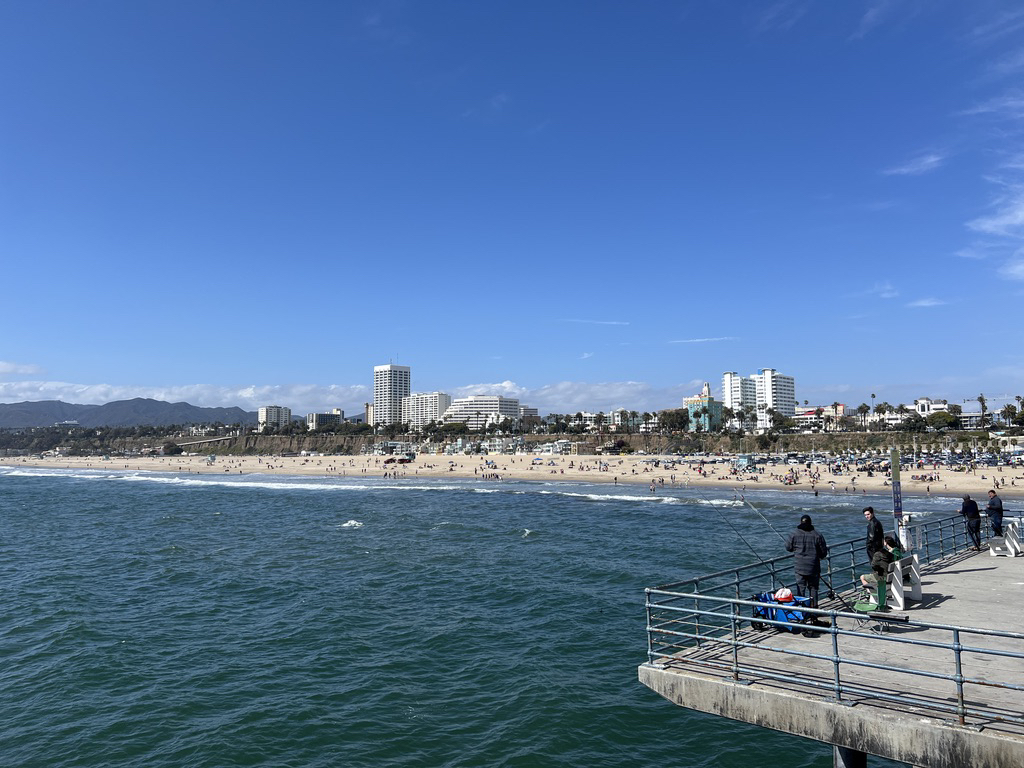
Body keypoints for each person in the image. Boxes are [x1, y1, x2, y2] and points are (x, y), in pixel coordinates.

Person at [785, 514, 828, 609]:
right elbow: (823, 553)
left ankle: (802, 609)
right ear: (811, 522)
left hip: (799, 566)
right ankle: (814, 608)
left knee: (800, 588)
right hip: (813, 567)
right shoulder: (817, 534)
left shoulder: (793, 534)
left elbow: (788, 548)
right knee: (813, 588)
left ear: (800, 522)